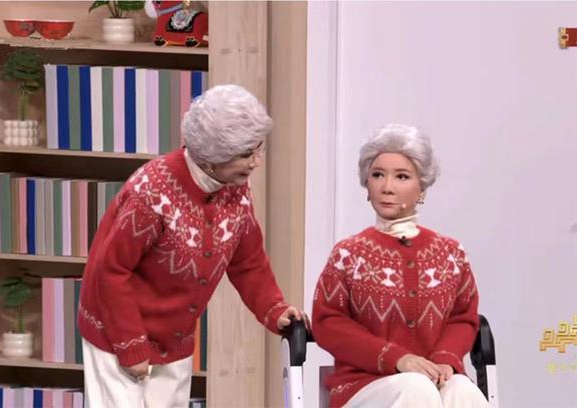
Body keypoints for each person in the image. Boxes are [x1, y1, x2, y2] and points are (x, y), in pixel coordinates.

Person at [78, 84, 305, 408]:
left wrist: (275, 310)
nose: (256, 162)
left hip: (174, 337)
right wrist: (130, 345)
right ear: (212, 158)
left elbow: (248, 262)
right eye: (246, 154)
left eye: (258, 149)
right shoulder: (152, 192)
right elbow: (110, 270)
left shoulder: (235, 190)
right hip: (116, 330)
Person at [312, 124, 488, 408]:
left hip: (435, 379)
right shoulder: (348, 254)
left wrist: (445, 358)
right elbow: (328, 323)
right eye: (377, 175)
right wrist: (396, 358)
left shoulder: (451, 254)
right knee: (416, 387)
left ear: (422, 188)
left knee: (462, 390)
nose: (387, 187)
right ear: (367, 185)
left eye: (402, 176)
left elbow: (463, 317)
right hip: (363, 387)